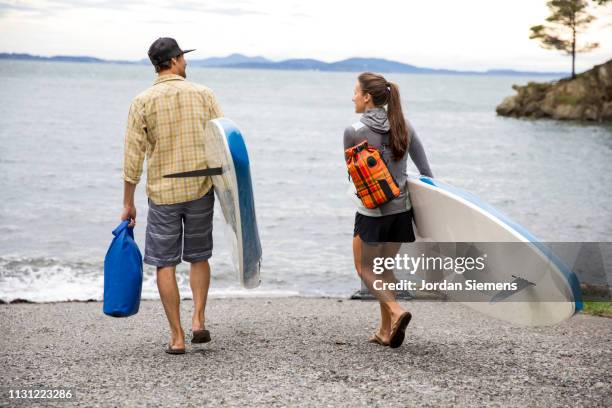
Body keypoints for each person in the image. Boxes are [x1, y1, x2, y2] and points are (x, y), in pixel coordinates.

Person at [121, 37, 223, 355]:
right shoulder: (204, 94)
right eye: (184, 58)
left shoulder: (142, 101)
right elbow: (222, 141)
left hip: (163, 193)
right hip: (200, 189)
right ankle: (198, 320)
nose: (186, 63)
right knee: (199, 256)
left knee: (165, 263)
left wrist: (128, 201)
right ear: (176, 60)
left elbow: (132, 156)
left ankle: (177, 337)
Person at [343, 72, 434, 348]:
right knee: (384, 269)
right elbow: (426, 171)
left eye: (356, 92)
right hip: (401, 211)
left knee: (364, 267)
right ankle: (385, 330)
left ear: (367, 97)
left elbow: (354, 175)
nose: (353, 97)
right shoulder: (404, 125)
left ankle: (396, 311)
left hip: (372, 213)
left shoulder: (354, 131)